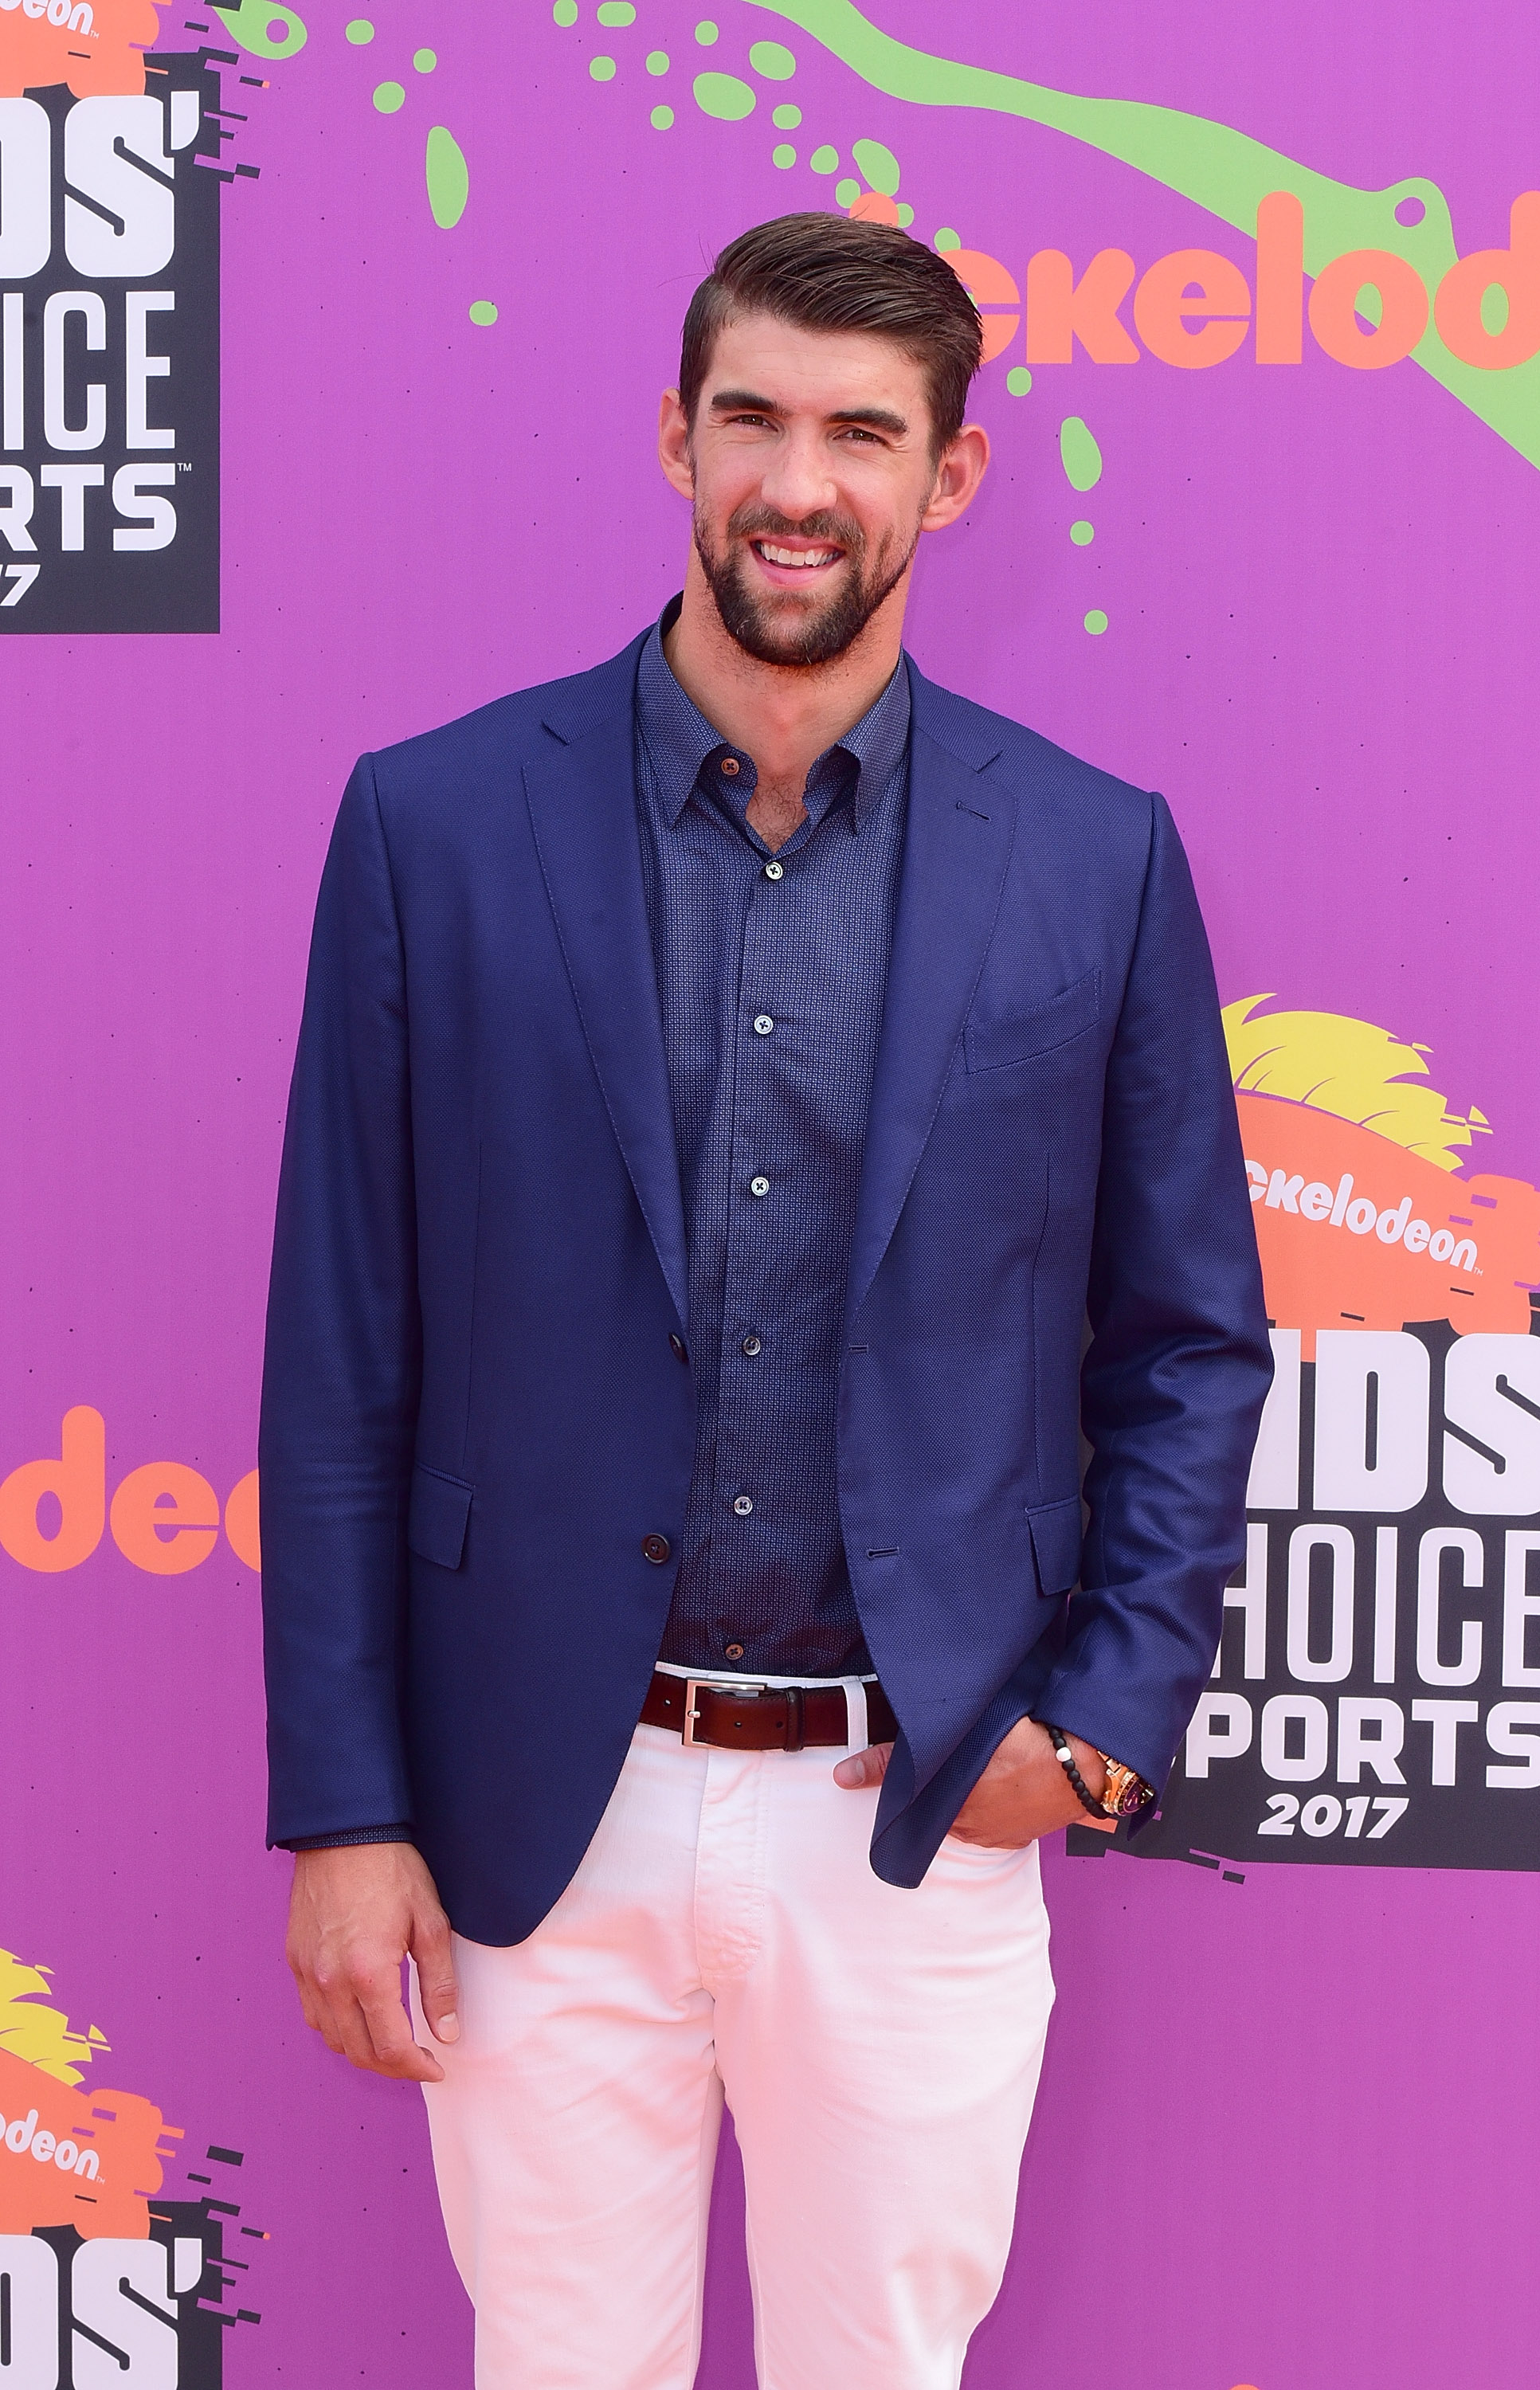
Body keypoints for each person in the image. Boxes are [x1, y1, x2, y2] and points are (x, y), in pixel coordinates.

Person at [261, 212, 1272, 2390]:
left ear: (951, 477)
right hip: (546, 1795)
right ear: (676, 436)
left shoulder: (1096, 858)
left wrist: (1094, 1729)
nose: (797, 483)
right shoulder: (433, 827)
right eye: (754, 419)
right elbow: (341, 1361)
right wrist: (347, 1812)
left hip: (910, 1806)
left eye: (860, 433)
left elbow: (1188, 1338)